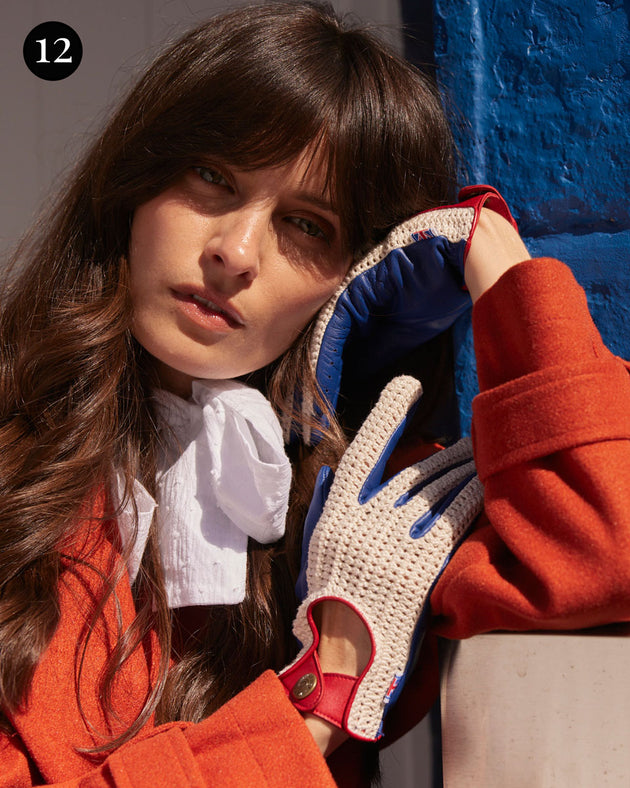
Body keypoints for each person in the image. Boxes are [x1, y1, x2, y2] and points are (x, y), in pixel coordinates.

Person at [2, 2, 630, 787]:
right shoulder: (13, 465)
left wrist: (508, 280)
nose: (234, 252)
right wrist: (324, 695)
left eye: (306, 226)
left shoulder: (370, 512)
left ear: (352, 280)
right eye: (210, 177)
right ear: (134, 186)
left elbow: (606, 554)